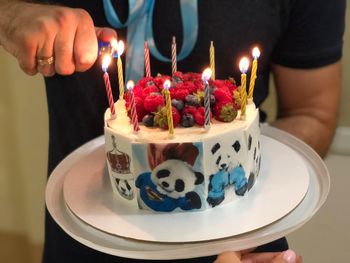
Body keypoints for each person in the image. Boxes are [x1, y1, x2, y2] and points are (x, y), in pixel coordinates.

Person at [0, 0, 345, 262]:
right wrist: (9, 15)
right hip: (83, 234)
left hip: (238, 245)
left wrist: (240, 229)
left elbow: (311, 111)